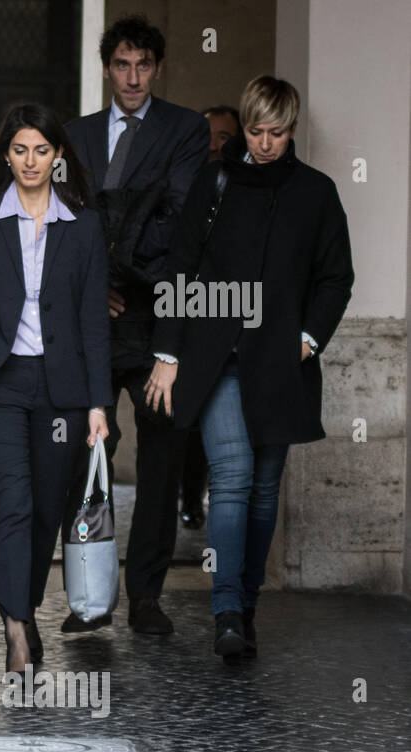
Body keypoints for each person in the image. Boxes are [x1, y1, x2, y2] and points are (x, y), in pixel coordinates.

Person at [147, 75, 354, 662]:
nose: (266, 143)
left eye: (278, 132)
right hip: (219, 361)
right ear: (245, 125)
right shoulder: (215, 183)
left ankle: (248, 602)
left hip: (282, 363)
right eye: (257, 130)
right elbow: (180, 269)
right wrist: (168, 354)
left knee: (265, 490)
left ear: (292, 130)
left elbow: (336, 276)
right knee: (232, 479)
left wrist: (309, 339)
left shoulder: (316, 193)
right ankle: (227, 611)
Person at [0, 103, 111, 678]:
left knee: (45, 513)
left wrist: (97, 403)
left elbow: (94, 320)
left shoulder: (83, 225)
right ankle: (15, 630)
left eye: (42, 150)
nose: (30, 161)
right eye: (19, 150)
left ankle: (24, 608)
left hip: (62, 391)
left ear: (58, 155)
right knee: (11, 503)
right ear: (5, 154)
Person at [57, 14, 208, 638]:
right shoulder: (75, 135)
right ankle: (91, 595)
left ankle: (146, 596)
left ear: (158, 67)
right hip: (97, 322)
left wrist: (123, 281)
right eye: (122, 64)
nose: (133, 77)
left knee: (162, 461)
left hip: (158, 320)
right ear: (106, 67)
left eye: (144, 64)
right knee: (87, 458)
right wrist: (99, 290)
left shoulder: (185, 129)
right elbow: (64, 222)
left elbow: (177, 222)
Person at [179, 105, 245, 532]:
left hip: (231, 321)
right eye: (208, 136)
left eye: (225, 137)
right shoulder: (186, 185)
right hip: (183, 315)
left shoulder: (246, 190)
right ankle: (187, 496)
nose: (215, 145)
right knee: (182, 423)